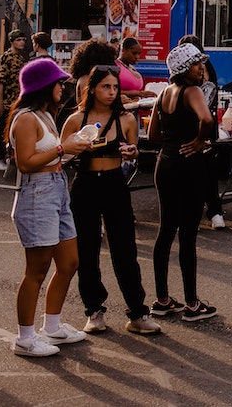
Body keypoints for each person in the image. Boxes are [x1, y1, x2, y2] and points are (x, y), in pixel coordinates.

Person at [61, 64, 160, 335]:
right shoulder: (76, 119)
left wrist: (132, 152)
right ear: (91, 88)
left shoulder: (125, 119)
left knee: (125, 249)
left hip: (115, 184)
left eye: (115, 87)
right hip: (85, 185)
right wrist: (76, 147)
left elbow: (134, 151)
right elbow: (62, 155)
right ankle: (94, 311)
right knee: (87, 250)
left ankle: (137, 312)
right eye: (106, 86)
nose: (112, 92)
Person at [7, 58, 92, 357]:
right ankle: (25, 338)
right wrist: (62, 148)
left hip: (56, 189)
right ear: (43, 85)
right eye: (58, 83)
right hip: (36, 195)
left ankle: (52, 326)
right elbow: (26, 162)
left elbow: (53, 156)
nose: (63, 87)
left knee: (69, 261)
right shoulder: (26, 118)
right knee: (37, 269)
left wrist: (72, 149)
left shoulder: (45, 115)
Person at [149, 43, 218, 323]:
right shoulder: (192, 91)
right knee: (187, 234)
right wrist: (200, 140)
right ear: (183, 69)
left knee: (166, 230)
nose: (201, 67)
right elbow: (207, 119)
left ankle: (163, 300)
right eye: (195, 64)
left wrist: (172, 143)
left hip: (165, 163)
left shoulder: (164, 93)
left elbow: (153, 133)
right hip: (189, 165)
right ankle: (192, 304)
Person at [176, 34, 226, 231]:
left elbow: (202, 112)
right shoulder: (209, 69)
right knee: (208, 174)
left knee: (190, 174)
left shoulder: (191, 80)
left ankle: (187, 216)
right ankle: (215, 213)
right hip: (207, 132)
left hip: (193, 131)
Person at [0, 29, 28, 171]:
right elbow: (0, 81)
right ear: (12, 41)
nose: (22, 42)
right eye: (18, 40)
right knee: (3, 131)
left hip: (18, 101)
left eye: (23, 40)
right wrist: (0, 102)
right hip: (7, 101)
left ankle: (9, 156)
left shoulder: (20, 58)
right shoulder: (6, 57)